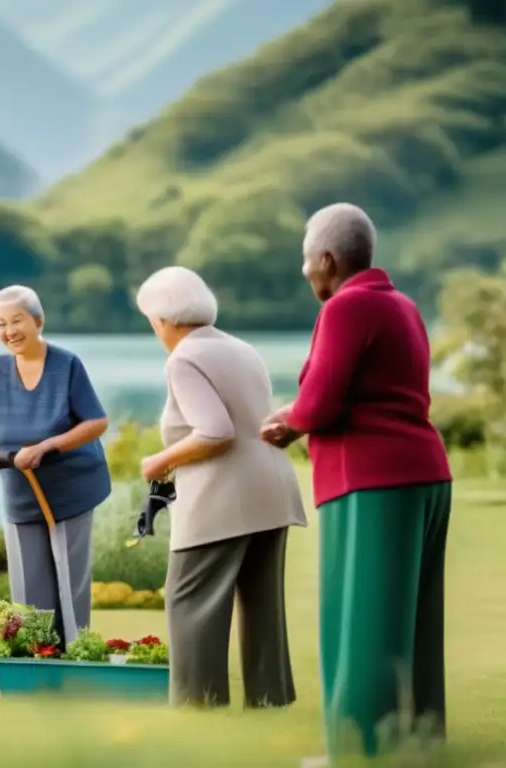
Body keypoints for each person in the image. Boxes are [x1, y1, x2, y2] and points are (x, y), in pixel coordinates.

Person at [261, 203, 452, 761]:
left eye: (305, 261)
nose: (304, 272)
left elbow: (321, 403)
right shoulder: (403, 306)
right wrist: (298, 412)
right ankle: (414, 744)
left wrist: (286, 424)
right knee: (412, 624)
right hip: (424, 475)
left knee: (363, 623)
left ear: (325, 260)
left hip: (370, 481)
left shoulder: (346, 308)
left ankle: (361, 751)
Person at [136, 266, 307, 708]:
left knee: (189, 600)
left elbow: (214, 431)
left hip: (222, 497)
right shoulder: (242, 348)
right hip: (271, 489)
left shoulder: (185, 358)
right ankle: (270, 700)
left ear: (162, 319)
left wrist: (160, 460)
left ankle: (199, 703)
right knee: (262, 605)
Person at [0, 285, 111, 647]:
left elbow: (96, 422)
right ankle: (39, 654)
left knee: (69, 578)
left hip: (70, 488)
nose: (9, 331)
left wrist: (48, 446)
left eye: (17, 320)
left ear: (38, 320)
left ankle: (78, 651)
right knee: (29, 582)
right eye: (1, 323)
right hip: (19, 490)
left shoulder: (67, 364)